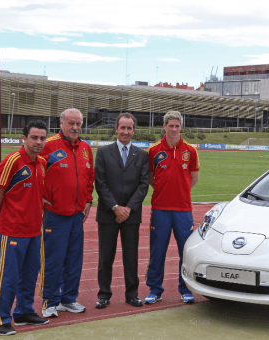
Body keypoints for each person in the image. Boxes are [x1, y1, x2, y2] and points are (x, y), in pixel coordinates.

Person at [0, 121, 49, 336]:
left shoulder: (42, 163)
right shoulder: (12, 162)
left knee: (30, 275)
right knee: (8, 276)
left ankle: (23, 312)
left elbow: (36, 195)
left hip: (34, 231)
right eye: (34, 137)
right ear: (24, 138)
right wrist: (6, 215)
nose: (39, 142)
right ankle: (0, 318)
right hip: (12, 231)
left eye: (42, 138)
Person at [39, 108, 95, 318]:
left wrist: (88, 199)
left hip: (77, 216)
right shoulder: (49, 146)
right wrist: (39, 195)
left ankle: (68, 299)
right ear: (61, 123)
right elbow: (35, 170)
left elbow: (90, 176)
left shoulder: (85, 148)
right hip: (54, 214)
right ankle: (50, 301)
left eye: (78, 123)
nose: (75, 127)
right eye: (71, 123)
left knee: (74, 260)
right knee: (54, 260)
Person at [94, 112, 150, 309]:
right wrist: (116, 207)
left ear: (134, 130)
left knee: (131, 256)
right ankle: (104, 294)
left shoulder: (142, 155)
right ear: (116, 129)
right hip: (108, 213)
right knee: (105, 257)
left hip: (131, 215)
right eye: (122, 127)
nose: (126, 131)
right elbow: (100, 183)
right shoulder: (103, 153)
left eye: (129, 128)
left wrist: (128, 208)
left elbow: (144, 185)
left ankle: (132, 293)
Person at [144, 111, 200, 304]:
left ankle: (185, 289)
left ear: (180, 127)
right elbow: (151, 178)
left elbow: (193, 178)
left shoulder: (190, 151)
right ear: (165, 126)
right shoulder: (153, 151)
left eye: (177, 126)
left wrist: (180, 191)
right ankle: (155, 289)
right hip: (160, 208)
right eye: (171, 126)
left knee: (184, 251)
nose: (174, 129)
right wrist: (164, 190)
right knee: (157, 251)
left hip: (183, 209)